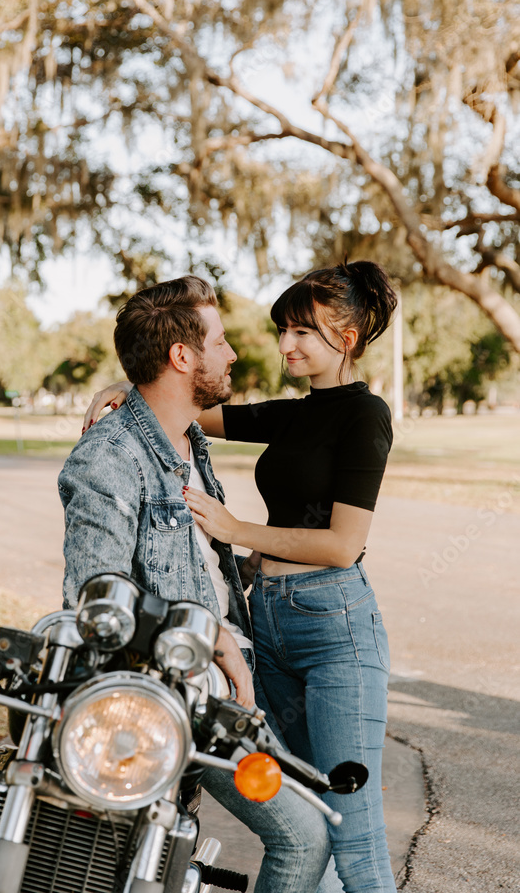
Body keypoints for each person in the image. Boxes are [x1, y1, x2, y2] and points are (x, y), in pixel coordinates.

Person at [84, 261, 398, 893]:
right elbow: (183, 403)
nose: (285, 345)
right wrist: (121, 386)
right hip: (270, 628)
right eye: (283, 330)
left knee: (353, 834)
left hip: (336, 630)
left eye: (301, 332)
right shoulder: (296, 414)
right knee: (304, 812)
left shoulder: (365, 417)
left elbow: (342, 544)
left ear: (346, 332)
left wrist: (236, 531)